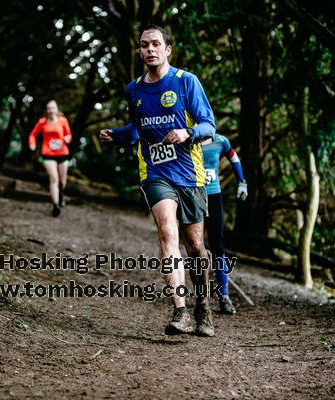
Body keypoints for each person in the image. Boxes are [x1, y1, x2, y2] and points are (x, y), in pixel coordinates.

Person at [100, 25, 217, 336]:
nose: (149, 49)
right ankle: (180, 311)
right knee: (168, 232)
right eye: (143, 45)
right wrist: (119, 135)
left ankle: (203, 305)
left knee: (195, 246)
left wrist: (188, 132)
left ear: (168, 49)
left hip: (189, 172)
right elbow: (136, 129)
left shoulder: (185, 82)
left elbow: (209, 125)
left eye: (155, 44)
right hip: (155, 171)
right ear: (139, 51)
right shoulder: (134, 90)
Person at [201, 133, 247, 314]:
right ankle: (200, 296)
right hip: (192, 196)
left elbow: (233, 155)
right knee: (195, 246)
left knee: (217, 246)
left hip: (213, 196)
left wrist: (241, 181)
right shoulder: (186, 138)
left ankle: (224, 296)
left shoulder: (220, 141)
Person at [28, 100, 72, 217]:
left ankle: (61, 194)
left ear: (57, 109)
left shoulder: (63, 120)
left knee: (62, 181)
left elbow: (68, 134)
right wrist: (32, 144)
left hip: (62, 153)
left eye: (53, 108)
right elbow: (32, 134)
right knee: (53, 178)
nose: (51, 110)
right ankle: (55, 205)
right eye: (49, 108)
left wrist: (67, 138)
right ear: (46, 110)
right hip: (48, 153)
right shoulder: (42, 122)